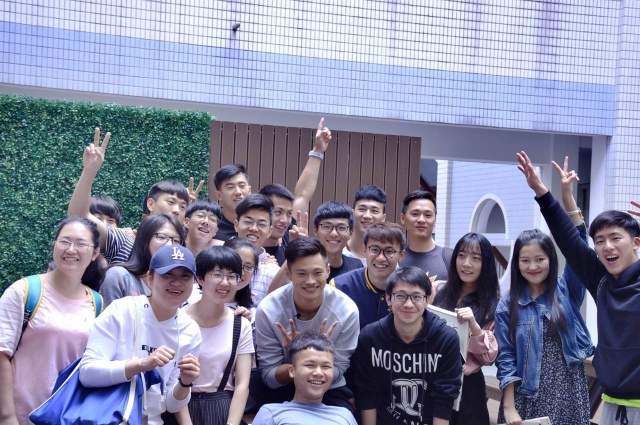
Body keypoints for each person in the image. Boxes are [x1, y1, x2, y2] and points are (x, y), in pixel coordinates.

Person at [515, 151, 638, 424]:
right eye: (600, 241)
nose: (606, 246)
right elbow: (570, 240)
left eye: (615, 238)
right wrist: (542, 192)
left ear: (636, 242)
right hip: (611, 403)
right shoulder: (602, 280)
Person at [79, 244, 202, 425]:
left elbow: (171, 405)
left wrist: (185, 383)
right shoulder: (122, 310)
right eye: (167, 275)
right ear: (149, 278)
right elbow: (87, 373)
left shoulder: (190, 331)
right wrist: (142, 364)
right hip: (106, 418)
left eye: (185, 276)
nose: (176, 283)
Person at [0, 217, 103, 425]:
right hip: (21, 416)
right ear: (54, 245)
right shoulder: (24, 291)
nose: (71, 249)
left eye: (81, 243)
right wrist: (7, 416)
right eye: (65, 241)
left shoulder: (97, 302)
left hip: (67, 417)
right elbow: (2, 353)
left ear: (94, 253)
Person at [253, 237, 360, 410]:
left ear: (327, 270)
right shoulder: (268, 310)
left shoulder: (346, 311)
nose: (310, 281)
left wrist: (315, 358)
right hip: (283, 386)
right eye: (302, 274)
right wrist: (297, 356)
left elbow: (339, 369)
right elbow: (269, 377)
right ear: (289, 274)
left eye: (317, 273)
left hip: (328, 387)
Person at [351, 266, 462, 425]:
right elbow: (367, 394)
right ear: (388, 298)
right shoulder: (370, 338)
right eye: (400, 296)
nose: (408, 304)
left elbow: (444, 398)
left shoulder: (446, 338)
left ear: (427, 299)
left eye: (416, 297)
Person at [68, 127, 191, 264]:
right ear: (150, 204)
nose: (177, 210)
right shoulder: (125, 240)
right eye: (171, 202)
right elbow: (79, 215)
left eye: (183, 206)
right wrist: (89, 171)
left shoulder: (183, 251)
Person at [433, 232, 500, 425]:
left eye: (475, 258)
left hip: (469, 387)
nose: (466, 263)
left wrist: (475, 327)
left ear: (486, 264)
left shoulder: (493, 304)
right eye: (461, 256)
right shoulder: (439, 292)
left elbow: (489, 357)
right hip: (435, 379)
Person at [183, 246, 253, 425]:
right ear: (200, 278)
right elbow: (170, 380)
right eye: (217, 274)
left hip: (222, 407)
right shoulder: (179, 320)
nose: (225, 282)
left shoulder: (240, 324)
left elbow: (242, 384)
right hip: (180, 405)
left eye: (232, 276)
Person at [259, 117, 333, 265]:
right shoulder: (246, 246)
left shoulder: (291, 237)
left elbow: (303, 195)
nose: (284, 220)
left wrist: (318, 151)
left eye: (288, 214)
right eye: (278, 212)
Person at [252, 333, 357, 425]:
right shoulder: (271, 413)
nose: (318, 373)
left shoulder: (344, 415)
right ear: (292, 371)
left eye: (326, 366)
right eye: (310, 365)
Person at [99, 213, 185, 306]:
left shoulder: (178, 284)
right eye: (162, 237)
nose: (169, 245)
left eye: (176, 241)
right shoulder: (119, 277)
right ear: (145, 239)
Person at [333, 222, 406, 328]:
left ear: (401, 255)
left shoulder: (411, 289)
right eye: (375, 250)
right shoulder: (340, 287)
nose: (381, 258)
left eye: (389, 251)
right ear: (365, 250)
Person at [234, 194, 280, 305]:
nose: (254, 228)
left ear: (270, 231)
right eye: (248, 222)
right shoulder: (217, 259)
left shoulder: (273, 272)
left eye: (261, 224)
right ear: (236, 224)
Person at [399, 190, 453, 281]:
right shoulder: (395, 258)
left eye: (428, 215)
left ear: (435, 220)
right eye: (415, 214)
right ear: (403, 218)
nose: (421, 220)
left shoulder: (450, 258)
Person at [313, 201, 364, 280]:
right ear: (315, 230)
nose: (334, 234)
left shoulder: (356, 267)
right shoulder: (306, 265)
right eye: (327, 226)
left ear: (350, 232)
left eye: (341, 228)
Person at [344, 185, 387, 265]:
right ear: (352, 213)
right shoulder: (338, 252)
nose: (367, 216)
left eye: (374, 211)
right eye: (362, 209)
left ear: (383, 218)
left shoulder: (388, 258)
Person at [212, 164, 252, 242]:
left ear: (249, 190)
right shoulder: (211, 225)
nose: (238, 192)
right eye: (230, 187)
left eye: (242, 186)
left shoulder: (260, 224)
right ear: (219, 195)